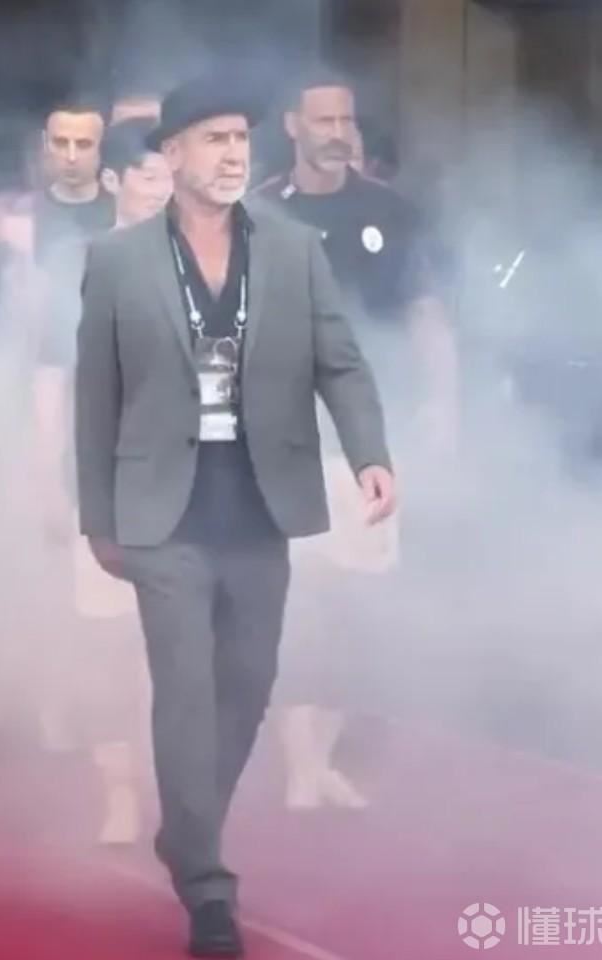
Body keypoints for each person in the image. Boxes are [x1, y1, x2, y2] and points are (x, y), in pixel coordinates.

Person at [74, 73, 395, 957]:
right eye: (213, 138)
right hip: (161, 507)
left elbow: (341, 361)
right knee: (184, 688)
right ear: (171, 152)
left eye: (240, 139)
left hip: (259, 498)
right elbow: (95, 396)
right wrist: (96, 515)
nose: (231, 154)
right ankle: (209, 890)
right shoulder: (118, 260)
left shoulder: (293, 249)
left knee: (247, 684)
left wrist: (369, 453)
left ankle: (187, 826)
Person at [254, 70, 457, 811]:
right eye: (323, 120)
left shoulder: (391, 211)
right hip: (285, 440)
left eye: (346, 120)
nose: (337, 132)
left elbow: (427, 314)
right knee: (298, 602)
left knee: (357, 608)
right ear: (292, 126)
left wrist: (444, 404)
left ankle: (323, 756)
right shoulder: (257, 212)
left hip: (372, 438)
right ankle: (300, 764)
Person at [34, 117, 172, 843]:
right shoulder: (79, 264)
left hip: (189, 477)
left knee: (181, 644)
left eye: (171, 174)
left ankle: (175, 786)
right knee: (106, 642)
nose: (163, 189)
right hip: (105, 479)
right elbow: (51, 378)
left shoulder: (213, 257)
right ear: (114, 180)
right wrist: (46, 478)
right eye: (149, 176)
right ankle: (118, 788)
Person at [34, 98, 114, 261]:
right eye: (60, 143)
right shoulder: (27, 216)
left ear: (103, 145)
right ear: (45, 142)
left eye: (83, 144)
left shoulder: (120, 213)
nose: (71, 157)